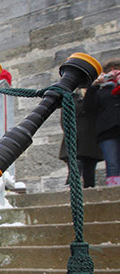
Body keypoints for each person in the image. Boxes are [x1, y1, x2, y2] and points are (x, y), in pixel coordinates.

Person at [83, 58, 120, 186]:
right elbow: (88, 107)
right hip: (107, 130)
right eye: (110, 70)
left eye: (116, 68)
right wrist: (93, 86)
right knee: (112, 163)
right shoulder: (101, 90)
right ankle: (115, 191)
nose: (113, 72)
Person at [58, 89, 103, 188]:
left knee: (89, 175)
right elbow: (64, 121)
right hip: (75, 140)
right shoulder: (71, 98)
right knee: (74, 173)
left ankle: (89, 198)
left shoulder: (96, 97)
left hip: (90, 142)